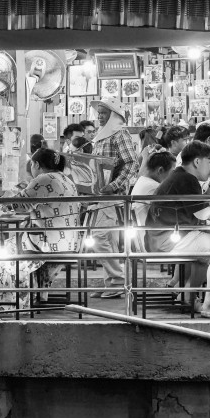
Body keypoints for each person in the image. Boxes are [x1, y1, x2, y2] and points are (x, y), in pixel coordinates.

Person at [0, 148, 82, 306]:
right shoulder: (66, 179)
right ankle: (30, 296)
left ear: (35, 164)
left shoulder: (43, 178)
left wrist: (8, 195)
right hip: (70, 242)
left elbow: (19, 205)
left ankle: (1, 300)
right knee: (11, 243)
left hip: (46, 244)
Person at [147, 142, 210, 319]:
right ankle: (209, 305)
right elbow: (202, 214)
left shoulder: (180, 176)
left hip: (163, 237)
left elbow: (198, 208)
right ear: (198, 162)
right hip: (169, 240)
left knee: (206, 253)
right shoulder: (186, 179)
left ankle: (188, 296)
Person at [85, 99, 140, 298]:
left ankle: (117, 280)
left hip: (113, 195)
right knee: (108, 239)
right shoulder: (101, 135)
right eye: (98, 113)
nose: (99, 116)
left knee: (99, 237)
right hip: (101, 195)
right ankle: (111, 281)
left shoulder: (120, 133)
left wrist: (114, 185)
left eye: (103, 113)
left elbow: (131, 163)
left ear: (113, 115)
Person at [131, 150, 176, 228]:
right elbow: (168, 215)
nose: (173, 176)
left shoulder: (142, 180)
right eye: (172, 172)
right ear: (160, 170)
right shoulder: (154, 187)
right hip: (150, 233)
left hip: (142, 231)